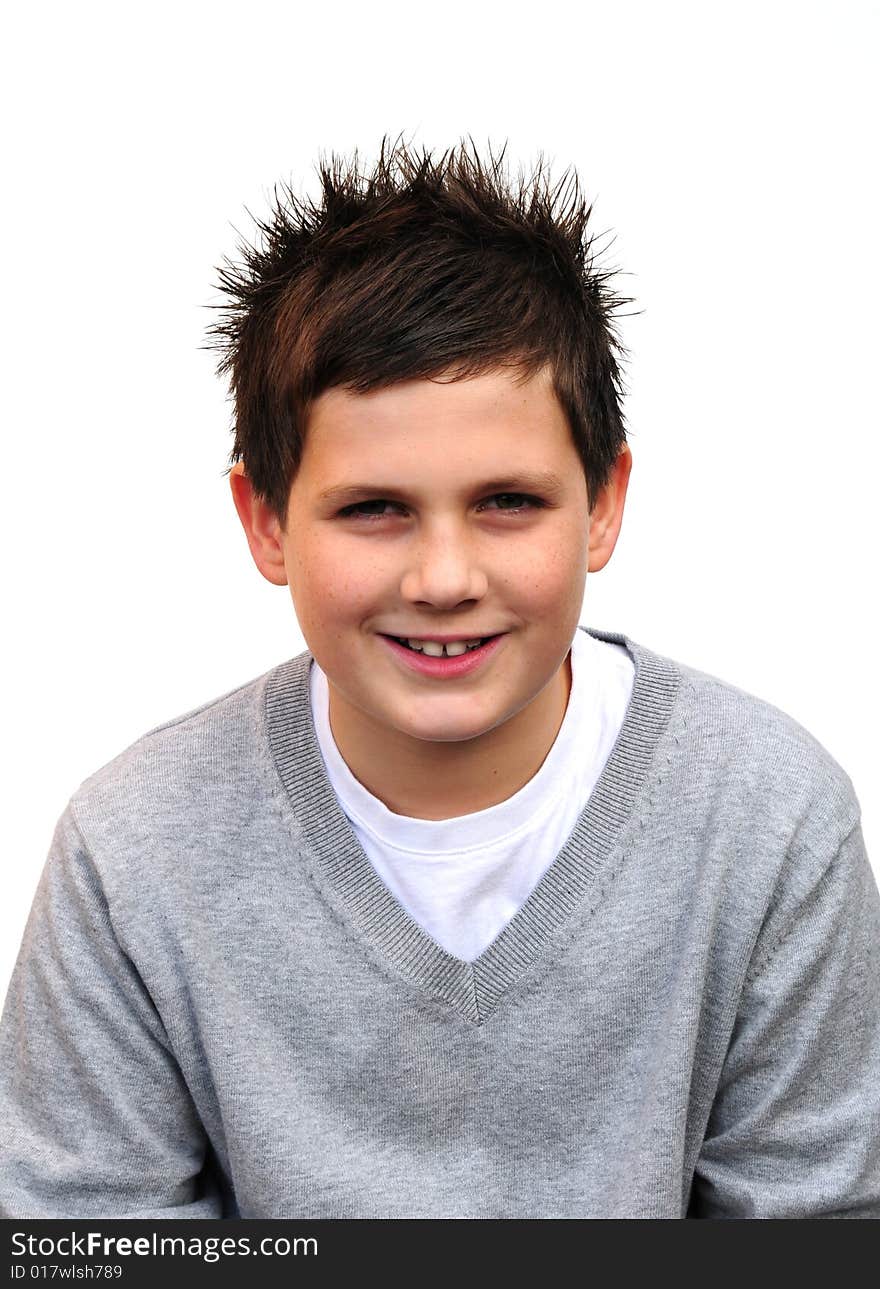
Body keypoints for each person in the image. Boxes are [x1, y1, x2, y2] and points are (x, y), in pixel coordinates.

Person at [1, 135, 878, 1220]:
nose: (446, 576)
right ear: (266, 522)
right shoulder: (132, 843)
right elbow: (81, 1240)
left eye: (508, 500)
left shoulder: (768, 815)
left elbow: (818, 1229)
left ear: (603, 503)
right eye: (373, 508)